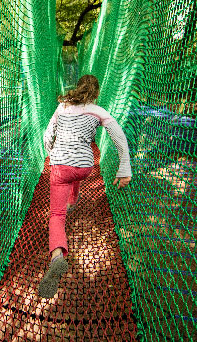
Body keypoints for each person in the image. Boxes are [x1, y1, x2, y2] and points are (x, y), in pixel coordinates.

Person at [38, 74, 132, 299]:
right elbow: (119, 136)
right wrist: (125, 168)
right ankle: (73, 199)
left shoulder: (63, 106)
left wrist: (52, 153)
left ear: (78, 88)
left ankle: (57, 257)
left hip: (60, 166)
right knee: (75, 173)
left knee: (56, 215)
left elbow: (47, 136)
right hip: (84, 166)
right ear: (96, 92)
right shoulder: (98, 111)